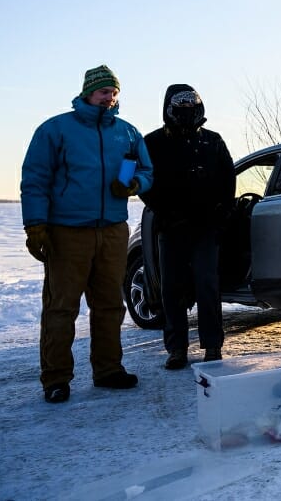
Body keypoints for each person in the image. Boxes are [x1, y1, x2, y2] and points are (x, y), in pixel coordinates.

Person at [20, 65, 153, 404]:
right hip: (68, 231)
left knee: (110, 304)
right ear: (87, 93)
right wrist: (36, 224)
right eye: (103, 91)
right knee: (61, 307)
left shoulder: (127, 133)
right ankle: (56, 378)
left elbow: (146, 170)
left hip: (112, 230)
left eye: (114, 92)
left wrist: (135, 184)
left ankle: (108, 370)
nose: (109, 97)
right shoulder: (56, 129)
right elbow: (35, 178)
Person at [139, 85, 235, 369]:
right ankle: (177, 348)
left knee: (207, 284)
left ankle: (213, 346)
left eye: (191, 104)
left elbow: (228, 180)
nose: (186, 110)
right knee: (172, 288)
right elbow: (143, 180)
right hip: (171, 226)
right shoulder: (152, 142)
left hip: (206, 227)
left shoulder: (213, 141)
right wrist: (164, 211)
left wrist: (221, 216)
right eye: (179, 105)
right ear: (169, 108)